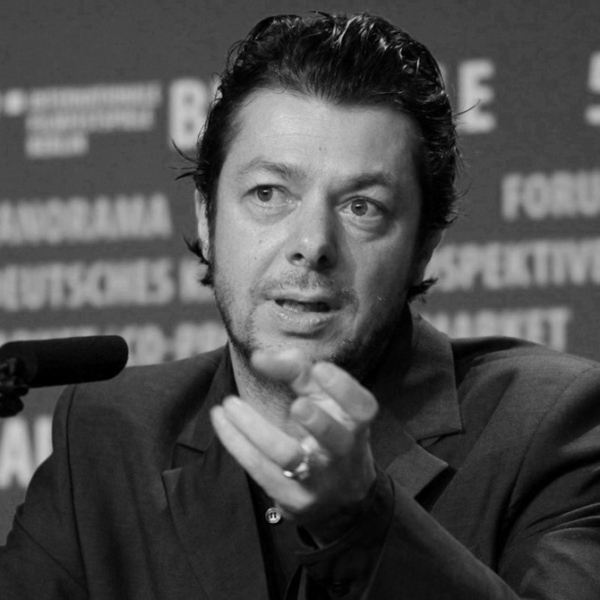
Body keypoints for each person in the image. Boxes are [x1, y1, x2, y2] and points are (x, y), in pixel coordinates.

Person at [2, 11, 600, 600]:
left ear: (423, 248)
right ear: (207, 219)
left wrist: (363, 524)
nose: (312, 244)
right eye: (269, 193)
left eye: (362, 206)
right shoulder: (109, 438)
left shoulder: (550, 428)